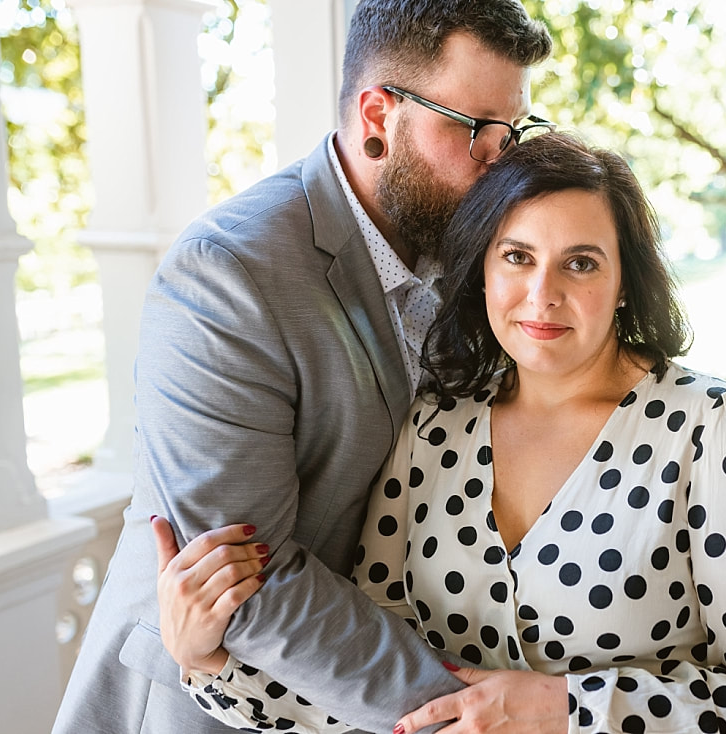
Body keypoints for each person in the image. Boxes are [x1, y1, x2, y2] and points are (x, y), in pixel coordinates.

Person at [154, 133, 726, 734]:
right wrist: (210, 663)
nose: (542, 293)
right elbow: (383, 706)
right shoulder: (434, 425)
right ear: (482, 269)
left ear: (626, 282)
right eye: (517, 256)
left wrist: (571, 709)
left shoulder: (714, 432)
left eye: (581, 262)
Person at [51, 2, 552, 732]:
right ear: (378, 115)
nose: (499, 164)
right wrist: (472, 713)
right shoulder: (226, 275)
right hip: (214, 702)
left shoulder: (473, 251)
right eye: (476, 130)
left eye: (514, 134)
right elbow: (251, 583)